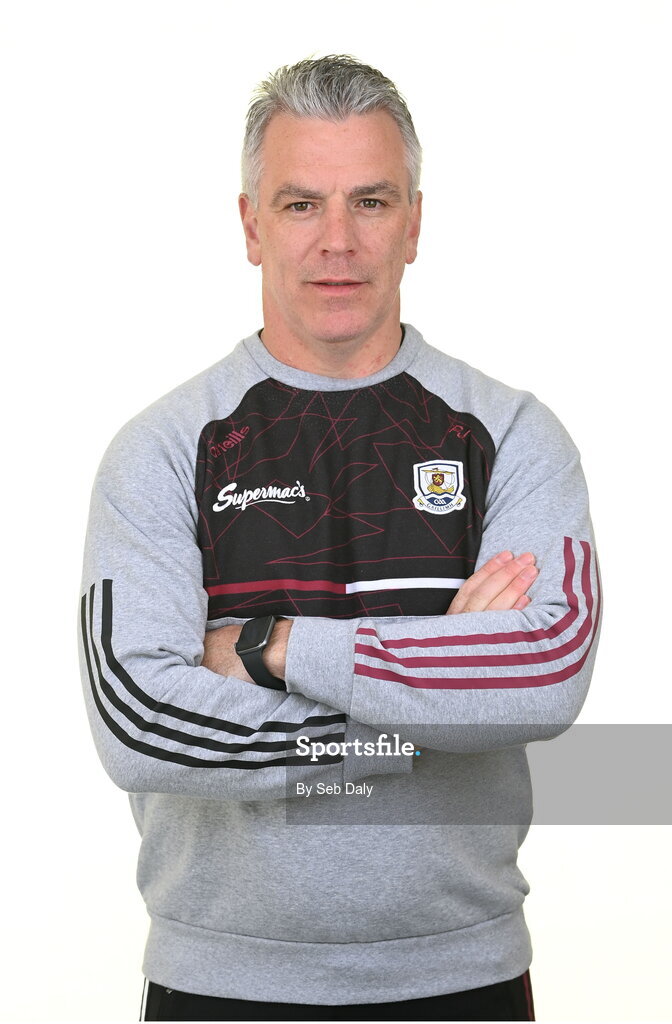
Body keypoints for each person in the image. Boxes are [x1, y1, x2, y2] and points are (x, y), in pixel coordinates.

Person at [78, 55, 601, 1022]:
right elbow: (138, 720)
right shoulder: (159, 450)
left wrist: (265, 649)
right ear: (249, 226)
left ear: (414, 223)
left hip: (463, 980)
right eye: (299, 204)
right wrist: (416, 701)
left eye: (369, 201)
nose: (337, 242)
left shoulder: (513, 433)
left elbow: (544, 667)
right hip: (218, 985)